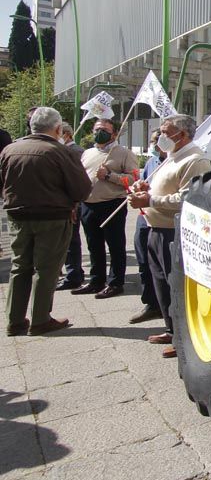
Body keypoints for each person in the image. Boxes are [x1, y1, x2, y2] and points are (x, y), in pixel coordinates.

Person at [2, 107, 91, 336]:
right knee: (47, 268)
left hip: (17, 216)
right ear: (58, 128)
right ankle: (41, 319)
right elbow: (81, 189)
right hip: (52, 217)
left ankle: (15, 320)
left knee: (20, 266)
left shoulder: (10, 149)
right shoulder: (60, 152)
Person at [128, 114, 210, 359]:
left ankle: (183, 338)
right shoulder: (171, 157)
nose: (160, 137)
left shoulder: (195, 160)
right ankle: (172, 329)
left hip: (174, 233)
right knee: (162, 285)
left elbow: (189, 198)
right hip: (156, 230)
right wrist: (144, 189)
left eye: (165, 132)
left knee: (176, 287)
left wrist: (151, 200)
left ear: (181, 135)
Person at [73, 119, 138, 299]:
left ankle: (115, 283)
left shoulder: (124, 153)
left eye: (104, 129)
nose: (99, 132)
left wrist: (110, 176)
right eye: (96, 129)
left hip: (112, 204)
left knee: (115, 246)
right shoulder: (87, 153)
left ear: (114, 134)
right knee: (94, 245)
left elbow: (133, 179)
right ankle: (96, 280)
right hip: (88, 204)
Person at [129, 131, 165, 324]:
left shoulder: (176, 163)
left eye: (156, 140)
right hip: (144, 219)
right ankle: (151, 304)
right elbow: (142, 182)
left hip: (163, 222)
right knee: (144, 262)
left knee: (162, 269)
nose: (153, 144)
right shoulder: (151, 162)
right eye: (151, 140)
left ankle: (168, 309)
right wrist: (138, 188)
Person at [55, 122, 85, 291]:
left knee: (70, 241)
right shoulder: (61, 150)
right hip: (64, 203)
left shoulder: (76, 152)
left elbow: (78, 180)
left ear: (65, 134)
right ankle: (72, 272)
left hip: (72, 203)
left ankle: (73, 274)